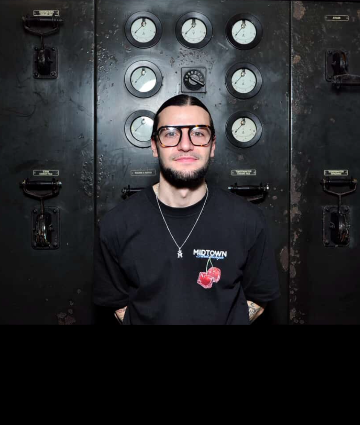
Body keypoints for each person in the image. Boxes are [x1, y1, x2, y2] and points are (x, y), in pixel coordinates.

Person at [93, 95, 281, 325]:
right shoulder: (116, 225)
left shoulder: (248, 220)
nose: (185, 145)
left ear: (212, 146)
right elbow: (116, 301)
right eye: (171, 133)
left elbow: (259, 296)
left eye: (199, 133)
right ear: (154, 146)